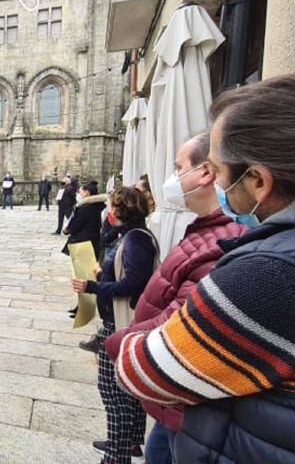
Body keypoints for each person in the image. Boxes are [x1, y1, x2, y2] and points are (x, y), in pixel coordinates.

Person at [114, 73, 295, 463]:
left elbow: (142, 369)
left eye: (218, 169)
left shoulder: (276, 274)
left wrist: (126, 340)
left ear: (259, 180)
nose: (213, 181)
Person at [101, 131, 244, 464]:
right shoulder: (206, 232)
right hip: (177, 405)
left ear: (207, 172)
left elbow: (183, 321)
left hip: (184, 399)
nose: (173, 178)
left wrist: (118, 343)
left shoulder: (221, 241)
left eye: (179, 167)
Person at [71, 186, 158, 464]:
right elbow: (127, 272)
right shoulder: (131, 237)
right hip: (120, 321)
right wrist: (102, 271)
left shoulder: (135, 240)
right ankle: (130, 442)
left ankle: (115, 455)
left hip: (122, 323)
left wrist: (92, 285)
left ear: (119, 211)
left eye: (111, 207)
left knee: (112, 390)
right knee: (126, 389)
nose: (108, 212)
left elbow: (133, 284)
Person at [62, 181, 107, 258]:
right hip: (92, 241)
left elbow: (75, 224)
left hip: (84, 243)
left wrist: (67, 229)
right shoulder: (97, 205)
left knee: (84, 268)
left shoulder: (86, 207)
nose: (79, 194)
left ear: (87, 192)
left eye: (80, 192)